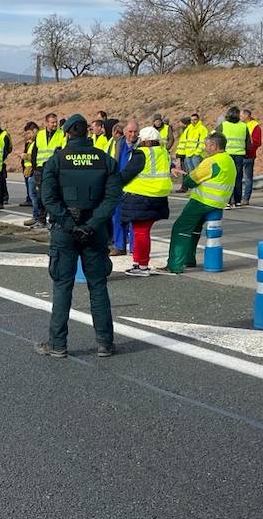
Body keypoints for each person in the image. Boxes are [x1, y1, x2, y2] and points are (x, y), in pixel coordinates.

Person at [37, 115, 119, 358]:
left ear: (67, 133)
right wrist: (92, 224)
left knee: (63, 286)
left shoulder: (57, 160)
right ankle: (105, 343)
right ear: (88, 133)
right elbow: (112, 198)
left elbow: (48, 198)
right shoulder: (105, 160)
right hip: (95, 231)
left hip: (65, 232)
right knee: (98, 286)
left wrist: (68, 224)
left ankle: (57, 344)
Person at [163, 132, 235, 274]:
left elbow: (191, 180)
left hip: (202, 201)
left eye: (206, 145)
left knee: (181, 228)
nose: (204, 148)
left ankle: (175, 264)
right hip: (219, 203)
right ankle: (189, 259)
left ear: (214, 146)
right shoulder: (229, 160)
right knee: (195, 229)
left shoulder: (211, 162)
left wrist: (186, 178)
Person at [119, 126, 172, 276]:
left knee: (140, 232)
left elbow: (127, 173)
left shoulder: (142, 153)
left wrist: (113, 182)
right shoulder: (163, 152)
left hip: (141, 196)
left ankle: (142, 266)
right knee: (143, 231)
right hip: (159, 196)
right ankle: (138, 262)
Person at [109, 120, 137, 255]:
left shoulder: (141, 145)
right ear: (125, 132)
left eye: (135, 132)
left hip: (135, 186)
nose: (133, 134)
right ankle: (119, 246)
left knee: (134, 219)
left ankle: (135, 248)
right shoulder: (118, 144)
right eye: (130, 131)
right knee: (118, 216)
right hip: (119, 184)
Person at [217, 106, 249, 208]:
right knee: (238, 178)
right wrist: (246, 153)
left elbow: (214, 136)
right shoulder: (243, 126)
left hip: (226, 155)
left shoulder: (223, 125)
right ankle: (237, 201)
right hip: (239, 155)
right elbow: (248, 142)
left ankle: (227, 201)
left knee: (226, 178)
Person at [240, 107, 262, 206]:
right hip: (239, 154)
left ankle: (245, 198)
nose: (240, 117)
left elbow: (257, 142)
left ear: (246, 115)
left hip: (248, 155)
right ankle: (237, 198)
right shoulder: (241, 125)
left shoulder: (255, 126)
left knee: (248, 178)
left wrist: (248, 150)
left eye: (241, 115)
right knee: (238, 177)